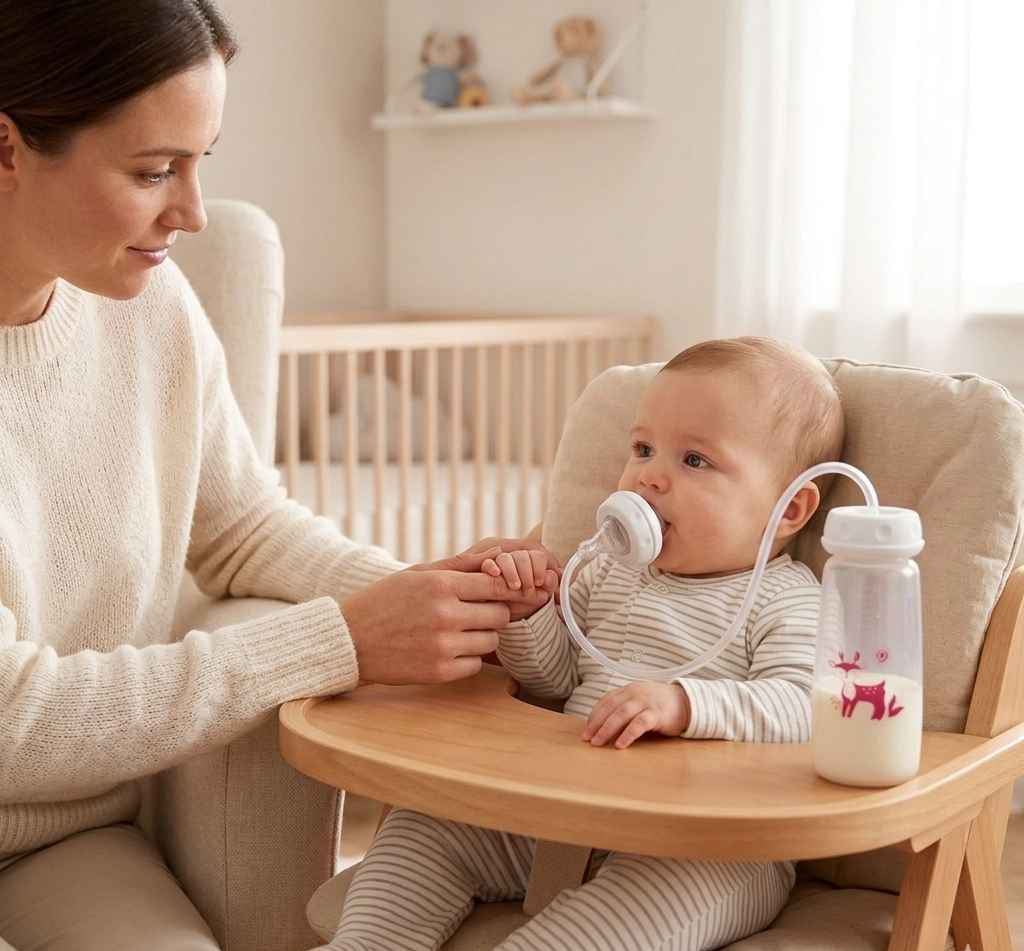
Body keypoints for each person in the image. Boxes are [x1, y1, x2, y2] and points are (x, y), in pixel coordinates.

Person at [0, 3, 558, 949]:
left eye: (201, 160)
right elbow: (12, 724)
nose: (193, 212)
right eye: (153, 171)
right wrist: (337, 640)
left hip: (62, 843)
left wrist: (424, 602)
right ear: (8, 148)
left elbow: (241, 527)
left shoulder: (150, 304)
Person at [325, 337, 846, 951]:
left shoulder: (786, 598)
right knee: (425, 827)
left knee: (640, 911)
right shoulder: (605, 572)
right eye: (643, 449)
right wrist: (528, 614)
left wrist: (684, 704)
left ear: (791, 510)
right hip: (562, 809)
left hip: (707, 846)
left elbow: (804, 708)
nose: (650, 475)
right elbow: (554, 680)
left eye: (695, 461)